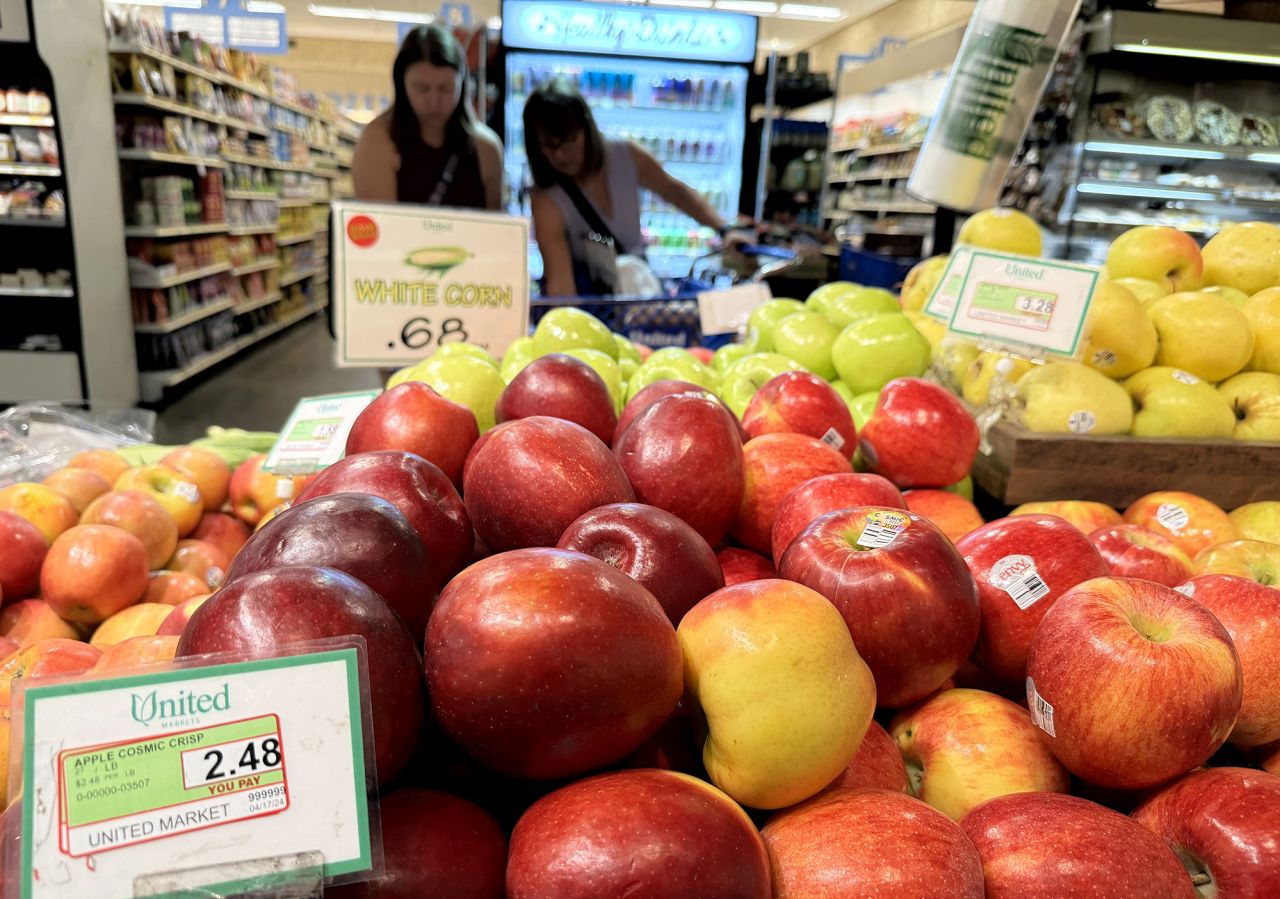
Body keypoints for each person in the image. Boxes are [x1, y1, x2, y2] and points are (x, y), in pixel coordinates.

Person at [523, 78, 736, 297]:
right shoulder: (546, 200)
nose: (560, 154)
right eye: (549, 146)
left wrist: (725, 230)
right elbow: (562, 287)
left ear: (586, 127)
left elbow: (677, 193)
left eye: (569, 140)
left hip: (638, 293)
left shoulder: (625, 155)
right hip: (593, 305)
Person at [352, 24, 503, 210]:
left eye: (445, 88)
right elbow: (380, 229)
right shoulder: (378, 139)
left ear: (462, 84)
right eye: (421, 88)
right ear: (401, 84)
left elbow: (495, 230)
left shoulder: (486, 148)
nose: (434, 100)